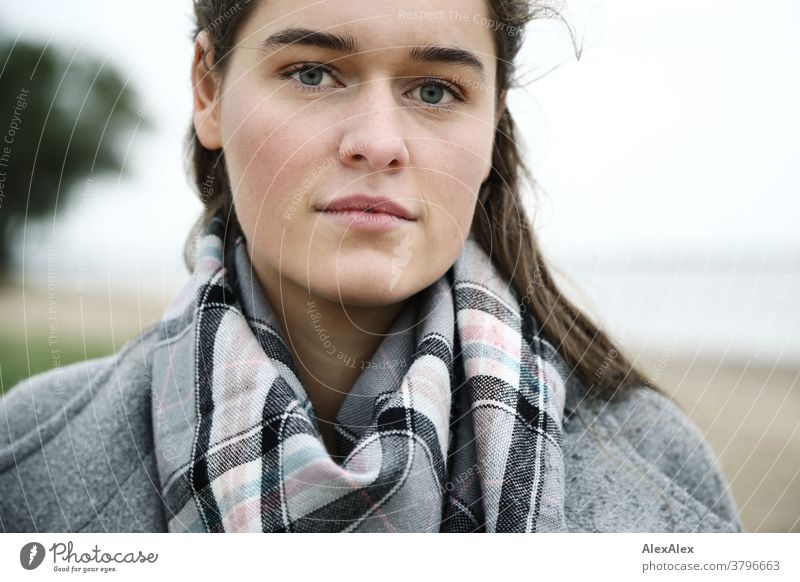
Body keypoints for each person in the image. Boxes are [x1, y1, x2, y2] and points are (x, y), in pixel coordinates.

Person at [0, 0, 742, 533]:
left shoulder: (664, 477)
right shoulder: (24, 463)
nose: (378, 142)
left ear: (493, 123)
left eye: (434, 90)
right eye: (314, 73)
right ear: (208, 88)